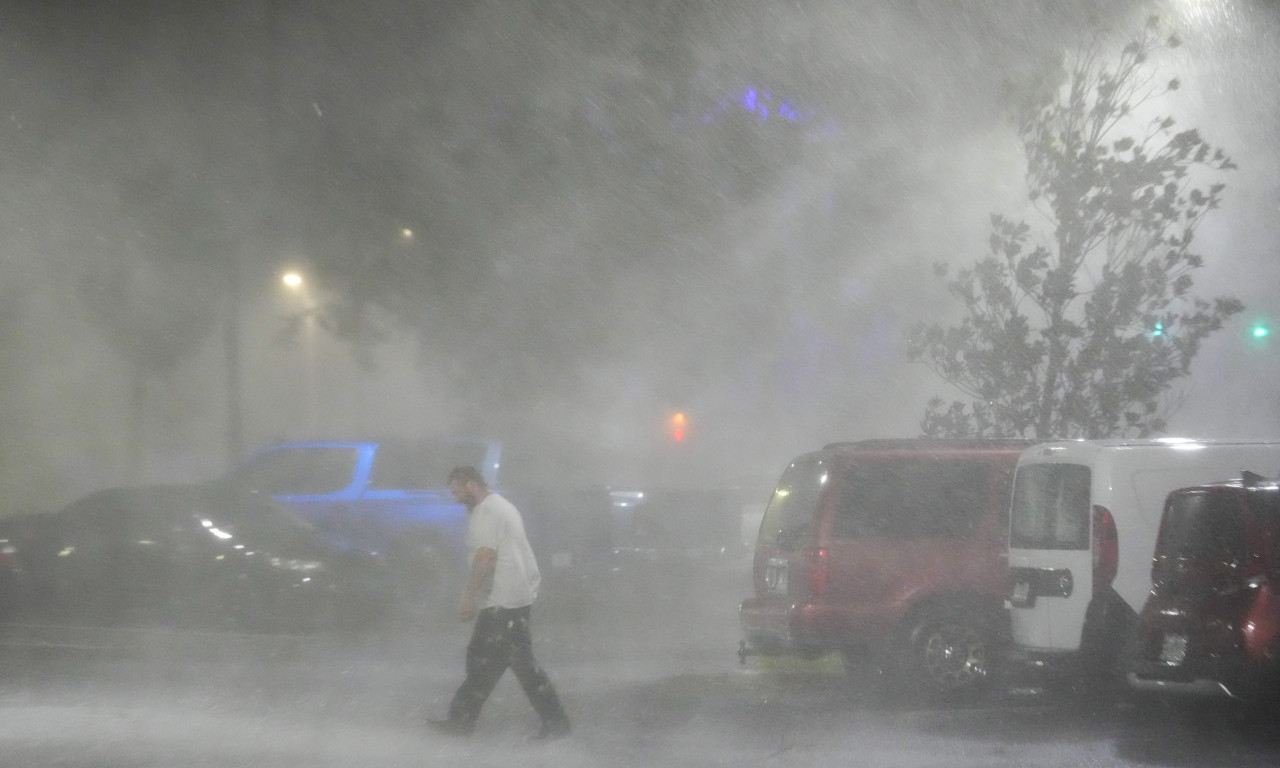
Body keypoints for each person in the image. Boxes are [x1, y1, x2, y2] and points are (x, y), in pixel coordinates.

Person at [429, 465, 570, 740]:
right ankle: (461, 721)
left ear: (471, 485)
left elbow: (485, 558)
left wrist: (467, 597)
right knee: (489, 662)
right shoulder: (501, 505)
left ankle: (556, 725)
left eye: (458, 492)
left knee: (514, 665)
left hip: (503, 602)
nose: (457, 499)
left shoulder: (486, 511)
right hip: (512, 599)